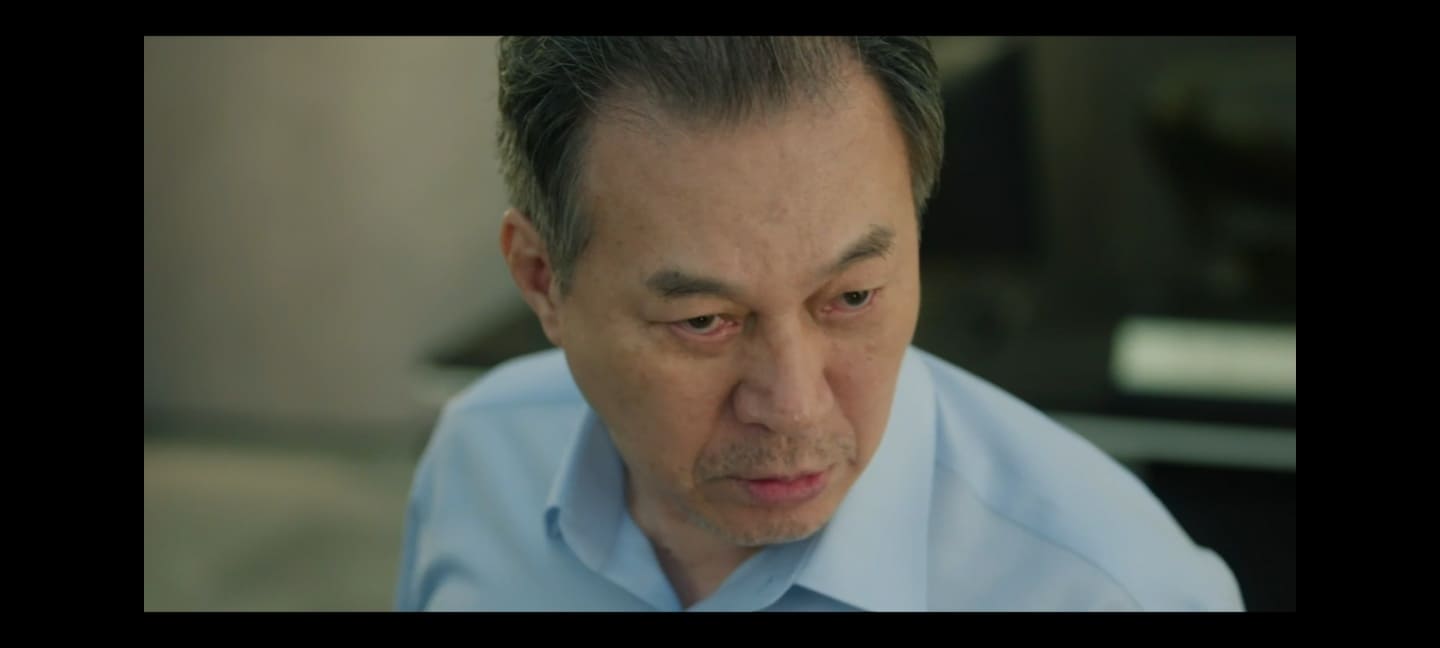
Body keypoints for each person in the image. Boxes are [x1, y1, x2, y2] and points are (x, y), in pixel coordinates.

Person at [394, 36, 1244, 612]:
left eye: (853, 298)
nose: (795, 405)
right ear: (542, 280)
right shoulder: (480, 465)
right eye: (704, 320)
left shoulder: (1111, 589)